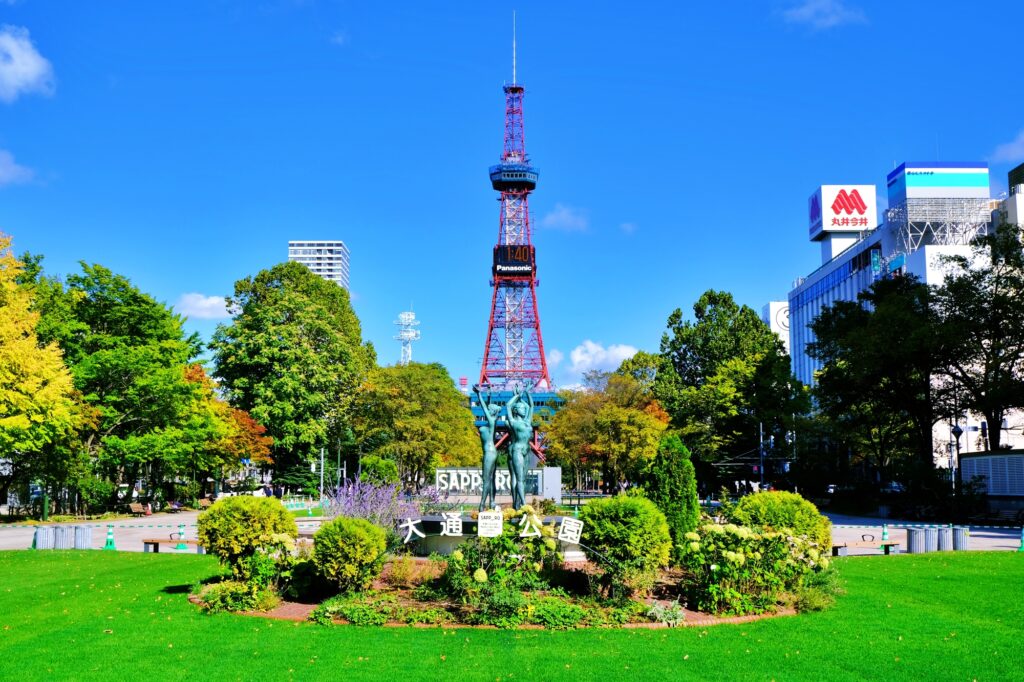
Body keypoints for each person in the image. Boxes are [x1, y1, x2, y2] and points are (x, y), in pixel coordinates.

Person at [473, 385, 502, 512]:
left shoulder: (491, 421)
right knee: (491, 478)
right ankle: (492, 502)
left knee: (486, 479)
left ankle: (482, 505)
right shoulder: (492, 422)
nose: (487, 410)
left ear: (491, 412)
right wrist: (489, 394)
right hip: (491, 452)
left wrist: (479, 394)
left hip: (489, 453)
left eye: (489, 410)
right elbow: (488, 406)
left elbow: (485, 407)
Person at [505, 385, 534, 511]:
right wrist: (516, 396)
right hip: (517, 450)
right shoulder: (513, 422)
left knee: (522, 479)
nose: (524, 409)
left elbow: (530, 406)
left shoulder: (527, 421)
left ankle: (518, 503)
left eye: (523, 408)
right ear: (516, 410)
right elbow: (508, 406)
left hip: (526, 451)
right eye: (521, 408)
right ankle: (523, 504)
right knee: (518, 479)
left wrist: (525, 393)